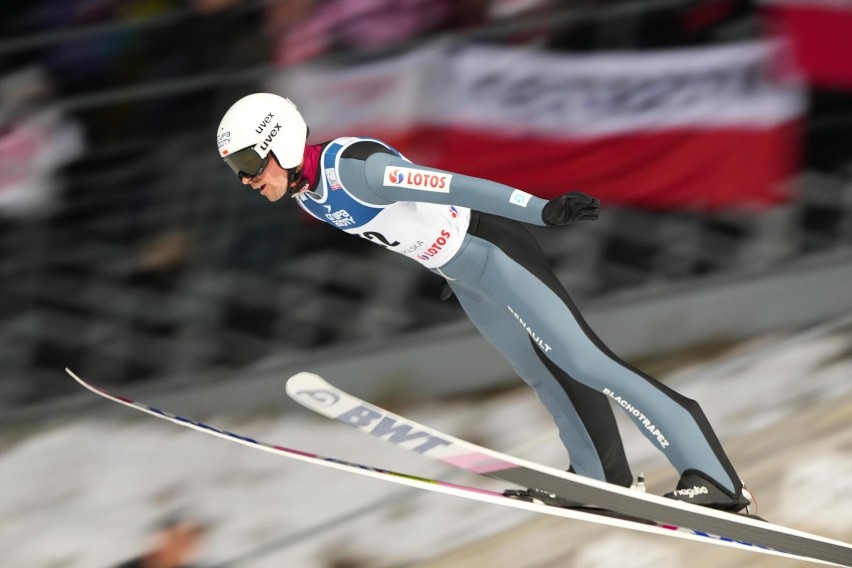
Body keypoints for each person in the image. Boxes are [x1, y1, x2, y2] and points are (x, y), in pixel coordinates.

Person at [216, 92, 755, 514]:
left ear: (279, 144)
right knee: (541, 371)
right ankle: (601, 477)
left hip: (493, 250)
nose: (244, 178)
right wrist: (445, 266)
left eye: (247, 161)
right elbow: (408, 230)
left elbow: (453, 187)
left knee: (585, 360)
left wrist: (540, 210)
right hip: (463, 272)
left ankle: (712, 474)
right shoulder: (310, 198)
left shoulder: (354, 169)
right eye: (234, 168)